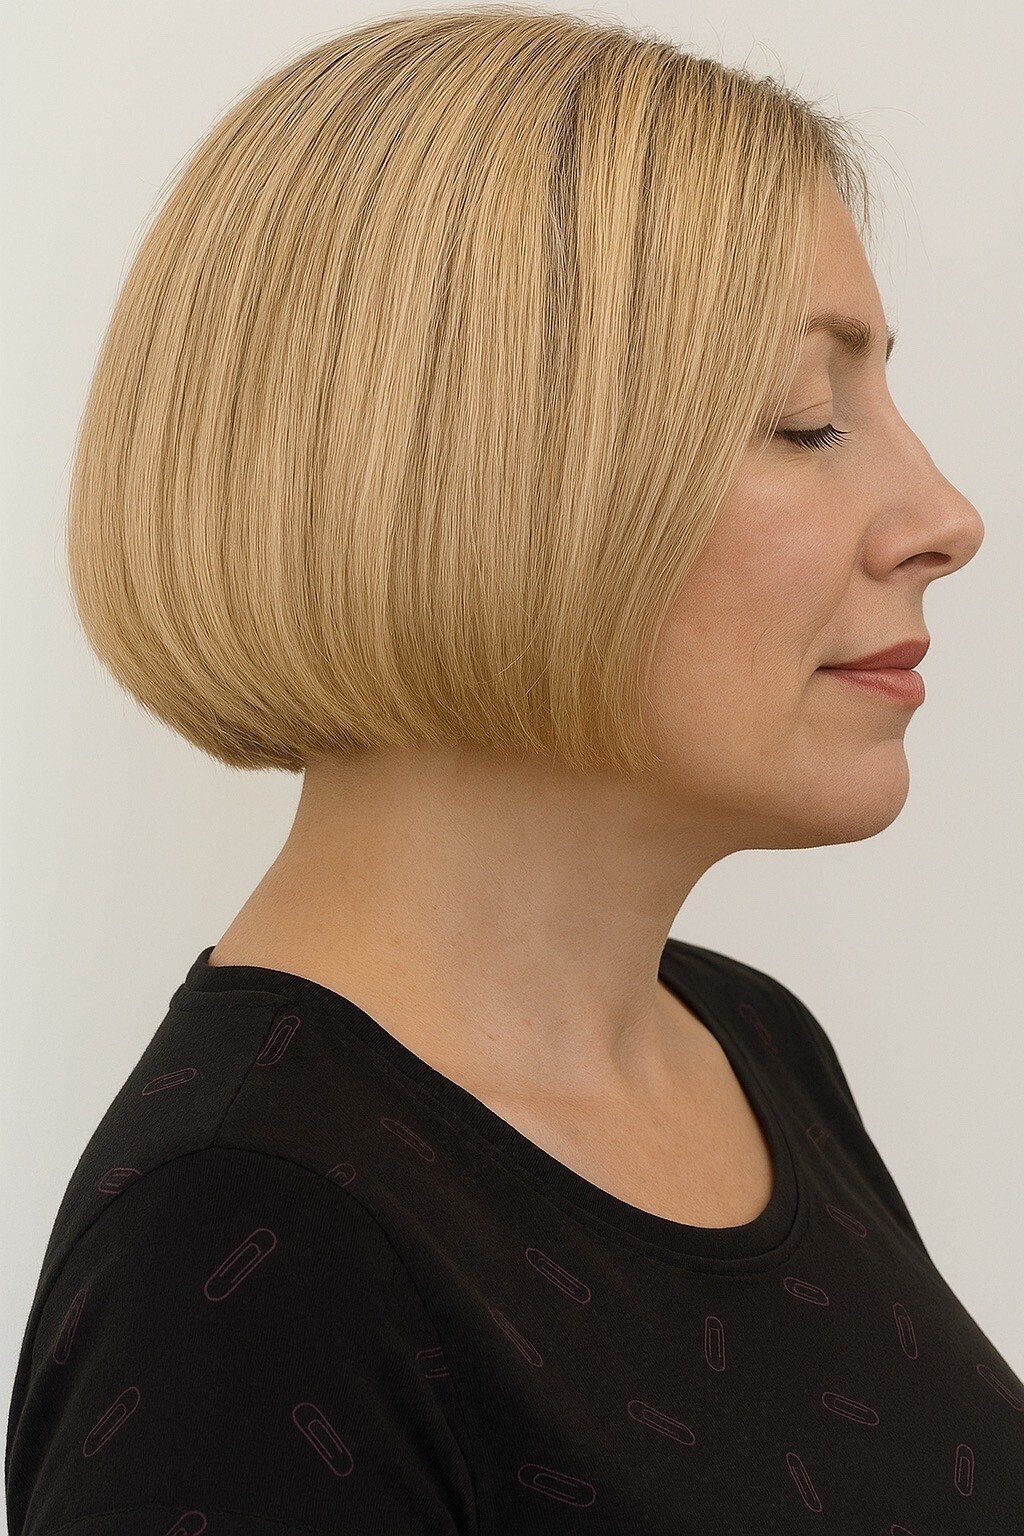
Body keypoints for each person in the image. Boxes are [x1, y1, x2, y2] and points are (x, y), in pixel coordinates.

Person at [7, 6, 1019, 1533]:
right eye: (808, 419)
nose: (946, 517)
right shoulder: (244, 1256)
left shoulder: (748, 1047)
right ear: (475, 476)